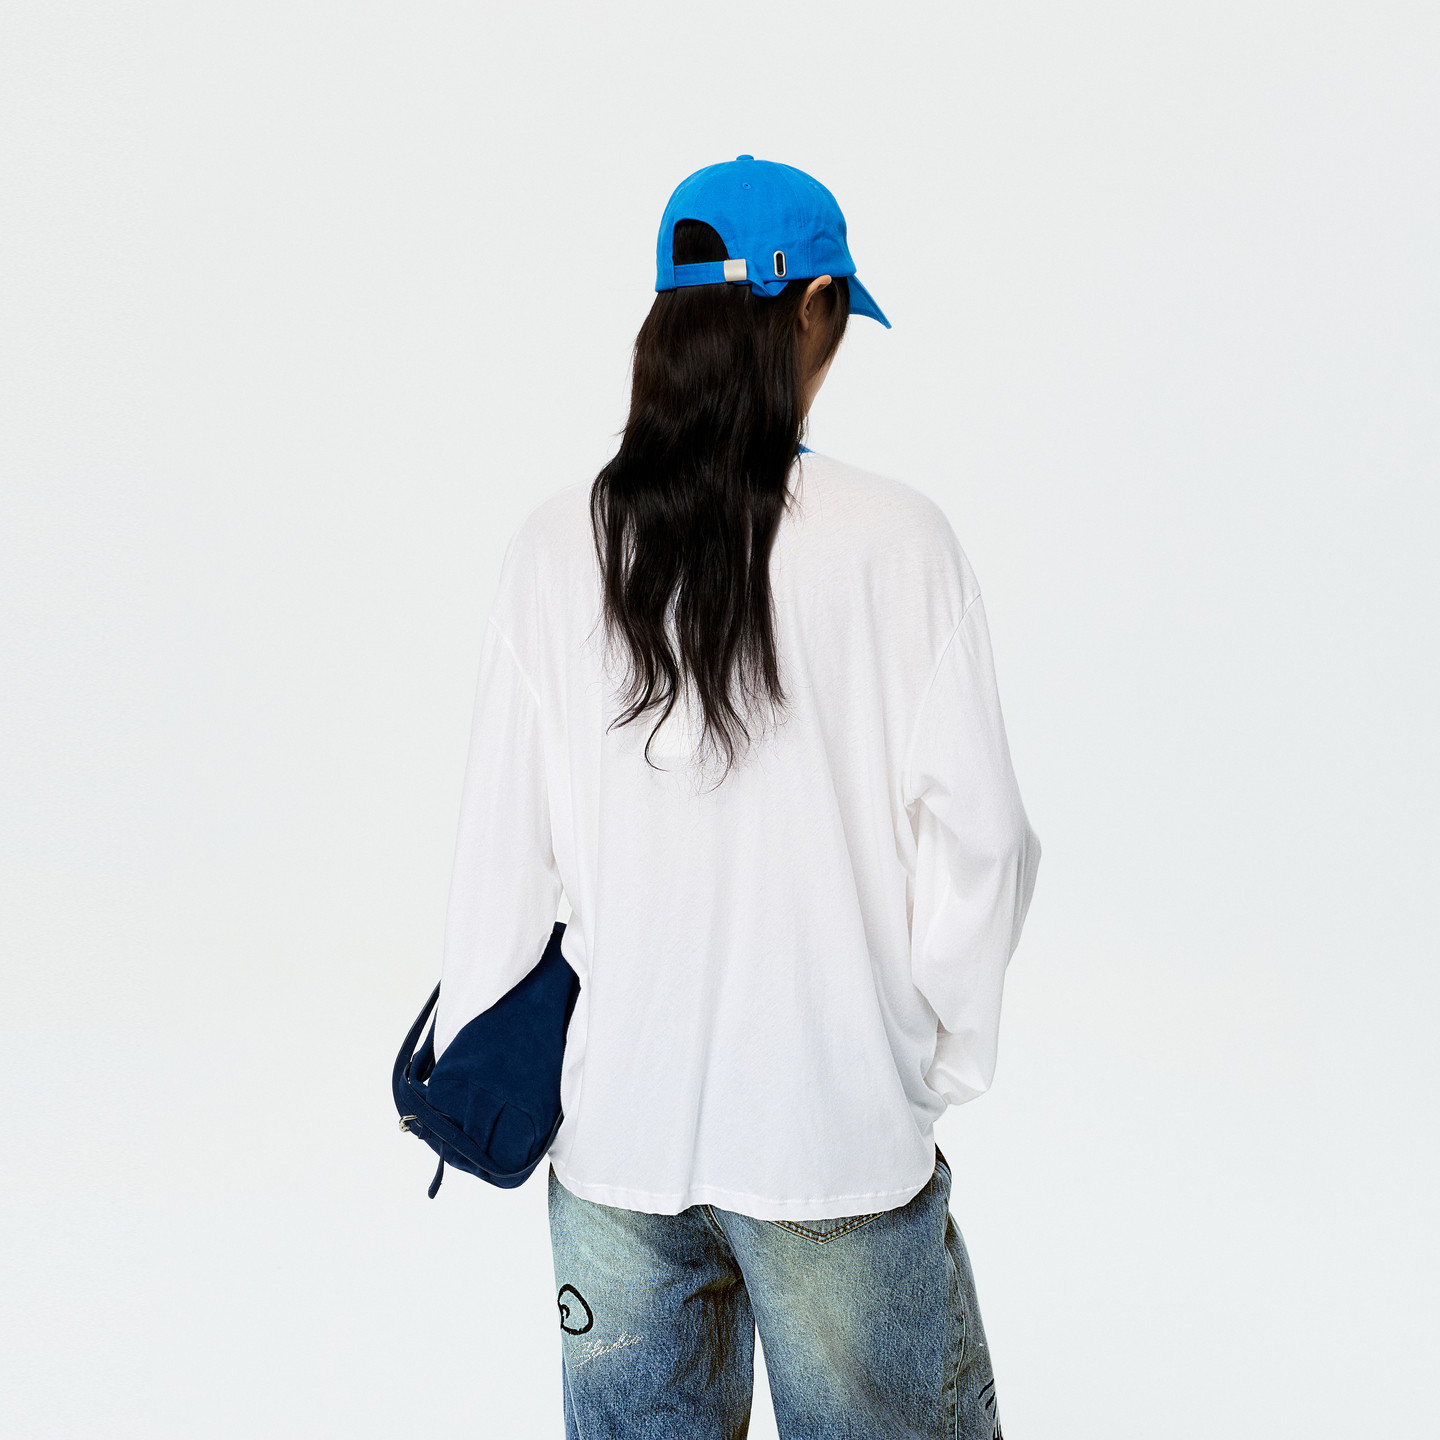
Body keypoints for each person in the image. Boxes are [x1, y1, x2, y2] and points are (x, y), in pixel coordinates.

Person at [434, 155, 1040, 1439]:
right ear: (814, 306)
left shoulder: (554, 547)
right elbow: (983, 842)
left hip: (617, 1142)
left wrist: (492, 1069)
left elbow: (498, 856)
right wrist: (934, 1059)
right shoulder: (899, 543)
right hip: (837, 1136)